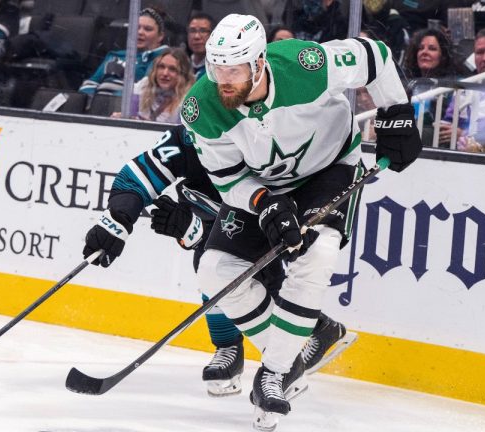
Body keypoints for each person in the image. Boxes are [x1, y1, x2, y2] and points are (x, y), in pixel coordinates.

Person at [181, 13, 421, 429]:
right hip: (264, 186)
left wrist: (396, 113)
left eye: (234, 69)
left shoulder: (306, 63)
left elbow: (376, 56)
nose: (223, 79)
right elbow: (227, 178)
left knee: (319, 251)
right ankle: (307, 342)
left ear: (259, 63)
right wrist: (263, 203)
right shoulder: (202, 106)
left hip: (328, 168)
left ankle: (273, 373)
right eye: (216, 68)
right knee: (214, 270)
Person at [81, 125, 357, 397]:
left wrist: (194, 231)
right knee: (211, 265)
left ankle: (308, 336)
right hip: (229, 221)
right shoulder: (187, 138)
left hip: (271, 213)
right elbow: (135, 178)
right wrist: (117, 220)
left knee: (247, 269)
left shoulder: (258, 139)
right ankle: (233, 347)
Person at [79, 7, 169, 97]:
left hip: (122, 106)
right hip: (98, 105)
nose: (140, 32)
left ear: (160, 36)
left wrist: (113, 100)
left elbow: (143, 91)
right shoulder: (114, 55)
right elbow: (91, 83)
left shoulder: (162, 60)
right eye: (136, 27)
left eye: (148, 29)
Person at [402, 28, 463, 146]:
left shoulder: (455, 85)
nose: (424, 52)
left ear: (443, 55)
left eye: (432, 48)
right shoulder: (406, 83)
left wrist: (461, 132)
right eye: (420, 48)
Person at [112, 48, 195, 123]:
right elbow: (131, 117)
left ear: (183, 75)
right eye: (161, 67)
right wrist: (121, 116)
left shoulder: (188, 101)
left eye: (172, 69)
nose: (165, 73)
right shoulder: (144, 85)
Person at [185, 12, 214, 80]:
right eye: (192, 31)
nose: (196, 36)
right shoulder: (181, 65)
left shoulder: (217, 70)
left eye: (203, 31)